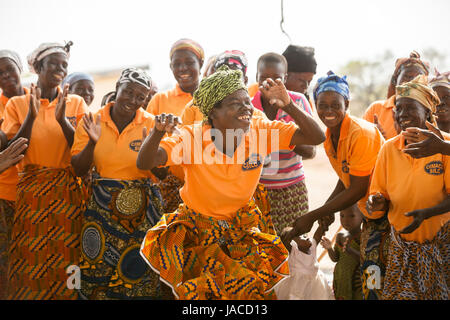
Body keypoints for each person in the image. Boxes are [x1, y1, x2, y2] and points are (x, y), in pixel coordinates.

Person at [137, 65, 325, 300]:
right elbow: (146, 162)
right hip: (198, 231)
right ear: (213, 112)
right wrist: (156, 132)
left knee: (250, 294)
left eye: (247, 102)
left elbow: (316, 137)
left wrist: (287, 104)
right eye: (235, 103)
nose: (247, 108)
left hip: (243, 228)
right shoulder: (192, 136)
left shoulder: (259, 131)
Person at [284, 71, 387, 300]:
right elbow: (346, 176)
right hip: (370, 215)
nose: (328, 111)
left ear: (347, 103)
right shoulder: (332, 134)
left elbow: (359, 188)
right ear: (315, 105)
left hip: (385, 217)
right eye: (322, 105)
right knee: (369, 277)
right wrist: (328, 210)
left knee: (375, 277)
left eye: (335, 105)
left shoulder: (360, 133)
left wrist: (313, 215)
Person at [71, 68, 171, 300]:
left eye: (140, 97)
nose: (133, 100)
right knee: (97, 269)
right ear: (117, 88)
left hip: (142, 213)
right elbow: (78, 169)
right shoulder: (92, 120)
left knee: (137, 273)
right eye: (128, 92)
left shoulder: (151, 123)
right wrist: (92, 143)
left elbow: (163, 174)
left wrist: (152, 142)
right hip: (101, 209)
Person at [2, 41, 88, 300]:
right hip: (32, 193)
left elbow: (81, 149)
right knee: (31, 257)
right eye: (54, 64)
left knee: (68, 255)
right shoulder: (17, 103)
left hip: (67, 192)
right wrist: (31, 115)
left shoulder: (75, 103)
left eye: (65, 65)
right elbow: (17, 148)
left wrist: (63, 120)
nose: (60, 69)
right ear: (39, 67)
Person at [366, 75, 450, 300]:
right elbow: (379, 195)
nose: (401, 115)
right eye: (398, 109)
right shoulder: (389, 149)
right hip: (401, 247)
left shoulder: (444, 146)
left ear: (427, 111)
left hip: (441, 246)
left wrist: (427, 213)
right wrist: (376, 201)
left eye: (409, 108)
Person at [251, 52, 315, 234]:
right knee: (263, 249)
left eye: (276, 79)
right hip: (258, 191)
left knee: (295, 246)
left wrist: (284, 129)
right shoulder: (249, 107)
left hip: (293, 190)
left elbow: (310, 151)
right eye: (263, 78)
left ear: (285, 78)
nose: (269, 83)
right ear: (256, 77)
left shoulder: (297, 102)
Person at [146, 38, 204, 214]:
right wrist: (162, 175)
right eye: (176, 64)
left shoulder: (214, 98)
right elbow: (147, 141)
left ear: (200, 63)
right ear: (170, 67)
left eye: (189, 62)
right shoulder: (160, 100)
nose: (183, 68)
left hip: (208, 186)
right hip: (168, 187)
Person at [0, 49, 29, 299]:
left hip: (38, 197)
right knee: (8, 263)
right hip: (5, 195)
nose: (6, 76)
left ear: (20, 68)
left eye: (9, 69)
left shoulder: (40, 98)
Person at [363, 51, 430, 140]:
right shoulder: (376, 109)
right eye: (407, 76)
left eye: (418, 78)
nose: (412, 82)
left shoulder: (430, 111)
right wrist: (376, 139)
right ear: (395, 80)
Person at [181, 50, 256, 126]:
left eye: (235, 76)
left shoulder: (250, 112)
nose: (228, 82)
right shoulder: (194, 107)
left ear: (245, 80)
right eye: (222, 77)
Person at [275, 223, 334, 300]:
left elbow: (317, 236)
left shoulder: (311, 247)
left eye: (305, 235)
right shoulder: (294, 250)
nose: (306, 237)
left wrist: (322, 225)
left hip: (315, 284)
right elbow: (286, 240)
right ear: (291, 243)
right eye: (300, 236)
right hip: (298, 286)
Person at [321, 204, 363, 300]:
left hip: (355, 279)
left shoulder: (363, 236)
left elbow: (365, 260)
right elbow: (336, 258)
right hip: (341, 277)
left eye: (351, 216)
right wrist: (329, 248)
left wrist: (350, 251)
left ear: (362, 216)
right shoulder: (340, 236)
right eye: (342, 216)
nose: (345, 220)